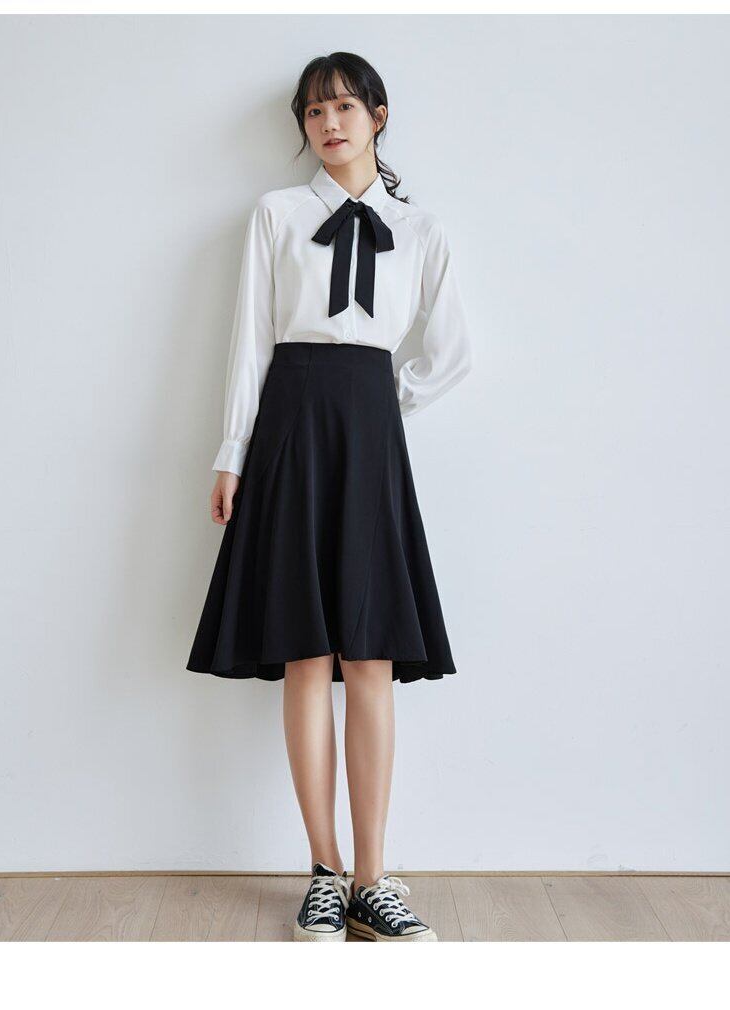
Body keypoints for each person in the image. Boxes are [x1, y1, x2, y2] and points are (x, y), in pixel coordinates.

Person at [187, 52, 473, 942]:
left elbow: (452, 352)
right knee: (308, 654)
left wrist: (383, 404)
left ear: (378, 115)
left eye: (344, 106)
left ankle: (373, 880)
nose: (329, 124)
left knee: (371, 656)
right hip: (288, 428)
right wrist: (231, 454)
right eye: (313, 113)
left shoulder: (419, 229)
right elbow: (248, 342)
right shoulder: (276, 214)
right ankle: (323, 871)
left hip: (369, 434)